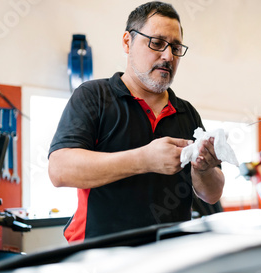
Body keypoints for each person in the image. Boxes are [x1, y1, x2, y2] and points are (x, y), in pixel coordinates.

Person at [48, 1, 225, 243]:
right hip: (98, 259)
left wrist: (203, 170)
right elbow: (59, 170)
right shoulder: (94, 96)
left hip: (166, 258)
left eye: (175, 47)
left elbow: (212, 195)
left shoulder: (187, 114)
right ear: (127, 42)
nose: (168, 56)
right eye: (157, 43)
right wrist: (144, 159)